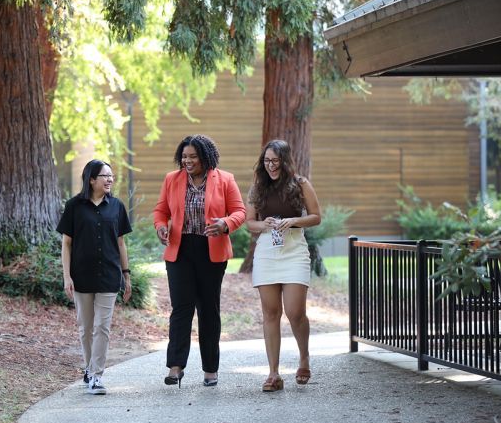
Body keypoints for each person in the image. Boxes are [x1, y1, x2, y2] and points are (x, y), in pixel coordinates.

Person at [153, 135, 246, 387]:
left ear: (205, 157)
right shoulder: (172, 179)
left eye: (193, 156)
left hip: (210, 250)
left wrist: (224, 224)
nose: (187, 161)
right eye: (184, 156)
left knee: (208, 310)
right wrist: (161, 227)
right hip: (180, 250)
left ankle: (210, 370)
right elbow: (161, 211)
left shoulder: (225, 179)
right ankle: (175, 367)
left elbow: (240, 212)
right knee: (181, 309)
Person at [245, 139, 321, 391]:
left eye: (275, 161)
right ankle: (274, 374)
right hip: (267, 251)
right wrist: (264, 225)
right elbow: (250, 223)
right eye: (267, 161)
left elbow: (316, 217)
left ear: (285, 161)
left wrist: (293, 221)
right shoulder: (258, 187)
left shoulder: (300, 184)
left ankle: (304, 357)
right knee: (270, 313)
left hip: (294, 250)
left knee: (295, 311)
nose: (271, 166)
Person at [57, 159, 132, 395]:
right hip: (82, 275)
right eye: (104, 176)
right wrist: (67, 276)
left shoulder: (117, 206)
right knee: (85, 327)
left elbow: (121, 243)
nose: (110, 180)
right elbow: (66, 244)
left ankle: (96, 376)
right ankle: (89, 370)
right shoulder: (74, 206)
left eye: (111, 176)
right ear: (91, 179)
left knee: (102, 327)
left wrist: (126, 275)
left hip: (109, 275)